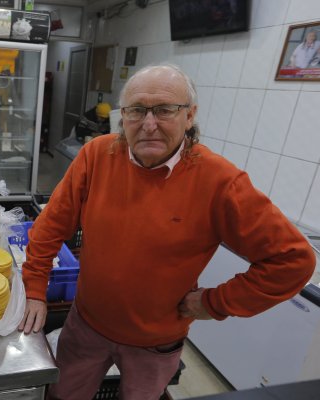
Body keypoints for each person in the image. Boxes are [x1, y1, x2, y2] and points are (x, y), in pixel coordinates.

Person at [18, 64, 316, 400]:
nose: (149, 125)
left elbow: (293, 260)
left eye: (164, 110)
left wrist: (215, 302)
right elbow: (50, 227)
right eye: (136, 111)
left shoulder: (220, 182)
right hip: (85, 325)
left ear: (190, 116)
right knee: (62, 396)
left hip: (155, 343)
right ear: (122, 116)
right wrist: (34, 288)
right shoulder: (96, 155)